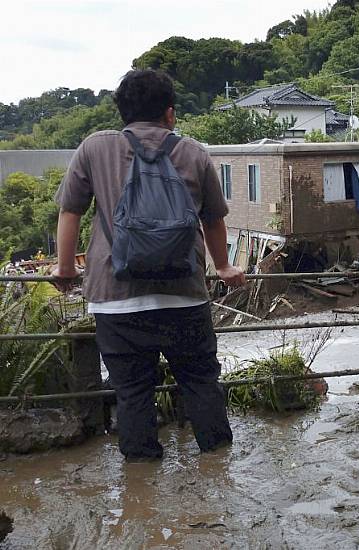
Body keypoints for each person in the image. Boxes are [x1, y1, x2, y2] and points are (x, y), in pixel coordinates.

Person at [52, 69, 246, 461]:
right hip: (184, 296)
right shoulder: (193, 152)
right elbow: (213, 218)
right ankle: (217, 473)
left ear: (121, 112)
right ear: (170, 114)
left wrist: (65, 269)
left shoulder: (94, 148)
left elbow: (70, 211)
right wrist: (224, 266)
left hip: (115, 298)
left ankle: (141, 492)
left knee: (133, 393)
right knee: (201, 383)